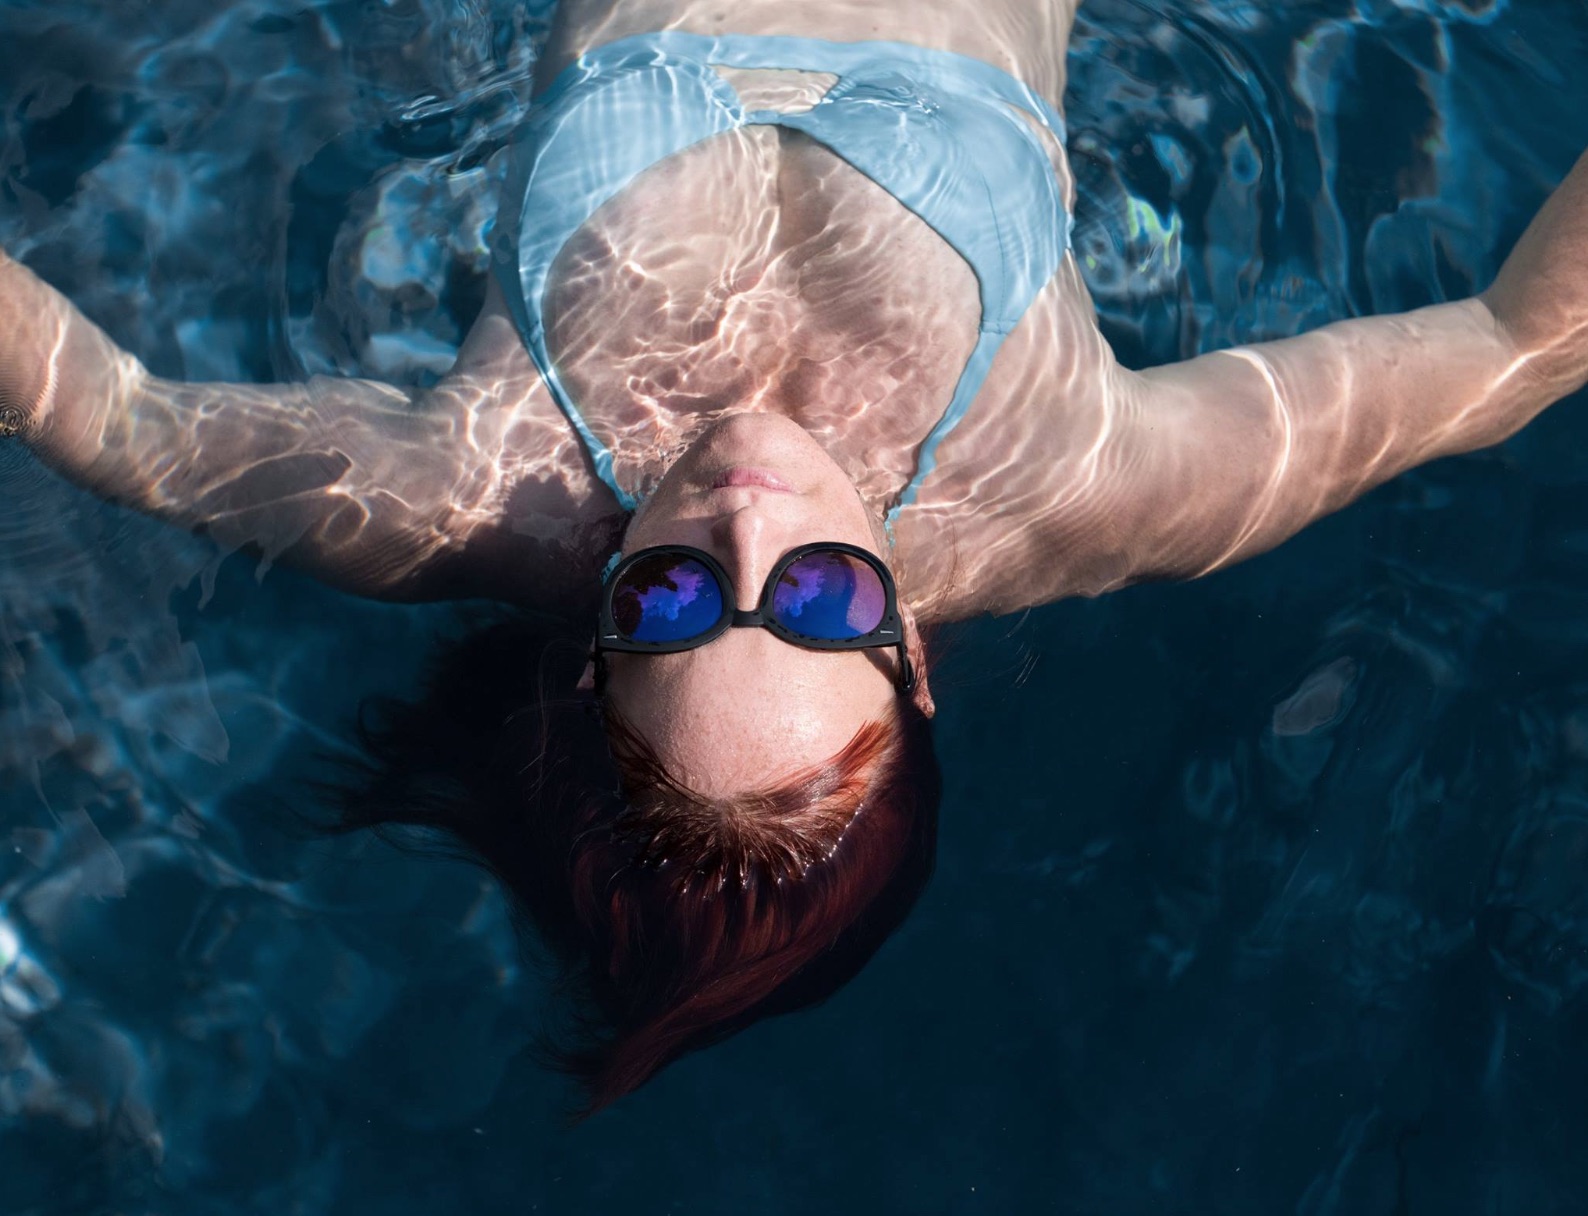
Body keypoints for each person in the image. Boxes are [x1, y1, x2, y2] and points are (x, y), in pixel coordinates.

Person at [1, 0, 1585, 1114]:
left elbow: (110, 417)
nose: (749, 518)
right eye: (821, 608)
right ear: (911, 668)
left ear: (594, 646)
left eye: (674, 599)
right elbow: (1516, 341)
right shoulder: (1078, 494)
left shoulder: (462, 495)